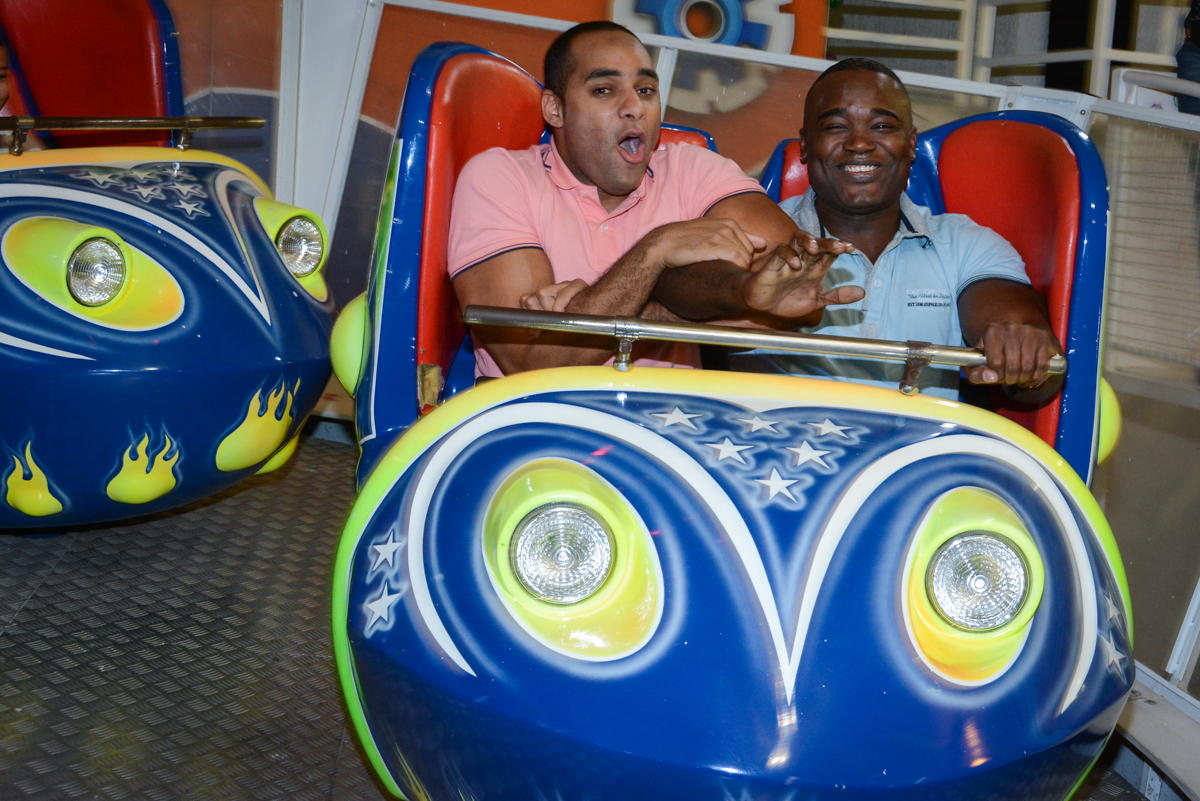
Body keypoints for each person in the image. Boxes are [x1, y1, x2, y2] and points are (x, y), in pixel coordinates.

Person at [447, 21, 864, 378]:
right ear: (555, 109)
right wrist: (657, 250)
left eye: (646, 89)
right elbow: (538, 358)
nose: (634, 108)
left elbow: (790, 297)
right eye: (604, 90)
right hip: (539, 435)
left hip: (672, 433)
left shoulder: (694, 169)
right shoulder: (500, 176)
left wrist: (589, 309)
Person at [727, 58, 1063, 401]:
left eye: (882, 127)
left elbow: (1027, 347)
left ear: (912, 143)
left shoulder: (967, 244)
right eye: (835, 127)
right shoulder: (753, 238)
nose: (859, 144)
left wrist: (1023, 351)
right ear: (805, 145)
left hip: (919, 454)